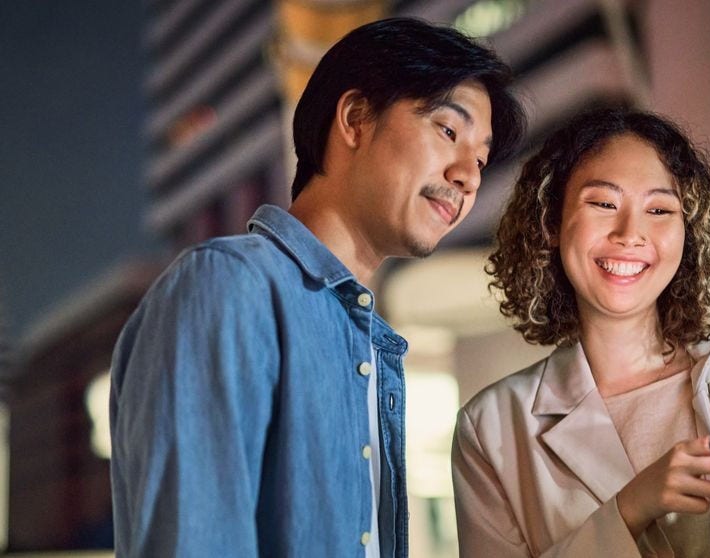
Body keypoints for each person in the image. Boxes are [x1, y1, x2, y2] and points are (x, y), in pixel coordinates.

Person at [110, 17, 525, 557]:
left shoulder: (370, 344)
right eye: (448, 131)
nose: (468, 175)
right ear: (354, 119)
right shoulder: (231, 287)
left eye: (481, 157)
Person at [451, 107, 710, 557]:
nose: (631, 233)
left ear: (687, 234)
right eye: (604, 204)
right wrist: (629, 508)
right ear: (551, 223)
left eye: (660, 209)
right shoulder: (490, 426)